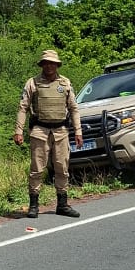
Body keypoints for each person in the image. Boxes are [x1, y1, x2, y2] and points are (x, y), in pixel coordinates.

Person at [13, 49, 83, 219]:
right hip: (40, 131)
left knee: (62, 168)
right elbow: (23, 107)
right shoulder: (33, 83)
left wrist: (78, 131)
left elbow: (74, 108)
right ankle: (34, 205)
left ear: (57, 65)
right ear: (42, 65)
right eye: (46, 63)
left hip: (61, 131)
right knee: (37, 169)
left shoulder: (65, 83)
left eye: (52, 63)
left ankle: (62, 204)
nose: (49, 66)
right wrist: (18, 131)